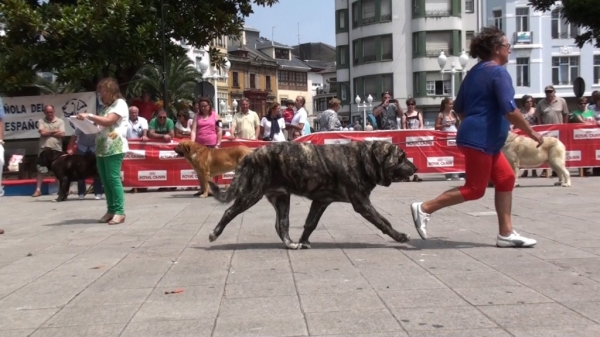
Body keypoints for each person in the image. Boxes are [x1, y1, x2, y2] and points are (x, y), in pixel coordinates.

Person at [410, 26, 544, 248]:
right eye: (507, 46)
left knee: (506, 178)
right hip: (481, 140)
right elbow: (509, 110)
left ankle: (506, 234)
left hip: (481, 139)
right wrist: (531, 131)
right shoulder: (498, 73)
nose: (509, 50)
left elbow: (460, 108)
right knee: (475, 189)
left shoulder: (473, 73)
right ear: (496, 49)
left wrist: (476, 123)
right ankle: (424, 208)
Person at [76, 77, 129, 225]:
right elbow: (100, 126)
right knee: (105, 180)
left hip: (115, 146)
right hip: (101, 147)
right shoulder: (105, 107)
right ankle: (111, 210)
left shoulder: (120, 104)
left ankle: (119, 211)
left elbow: (109, 121)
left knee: (113, 179)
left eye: (103, 91)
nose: (101, 94)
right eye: (100, 92)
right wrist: (87, 124)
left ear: (111, 91)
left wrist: (90, 116)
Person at [32, 105, 65, 197]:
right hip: (44, 149)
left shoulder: (60, 121)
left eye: (51, 112)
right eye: (47, 112)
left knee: (58, 170)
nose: (49, 114)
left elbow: (62, 134)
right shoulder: (41, 121)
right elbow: (42, 133)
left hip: (57, 149)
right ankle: (38, 190)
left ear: (54, 111)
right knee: (41, 170)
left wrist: (48, 132)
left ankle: (60, 190)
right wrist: (55, 131)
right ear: (44, 112)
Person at [68, 118, 104, 200]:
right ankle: (81, 193)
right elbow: (74, 136)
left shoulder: (99, 127)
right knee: (80, 171)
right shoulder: (82, 126)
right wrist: (71, 148)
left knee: (97, 171)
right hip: (82, 148)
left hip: (94, 148)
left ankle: (98, 192)